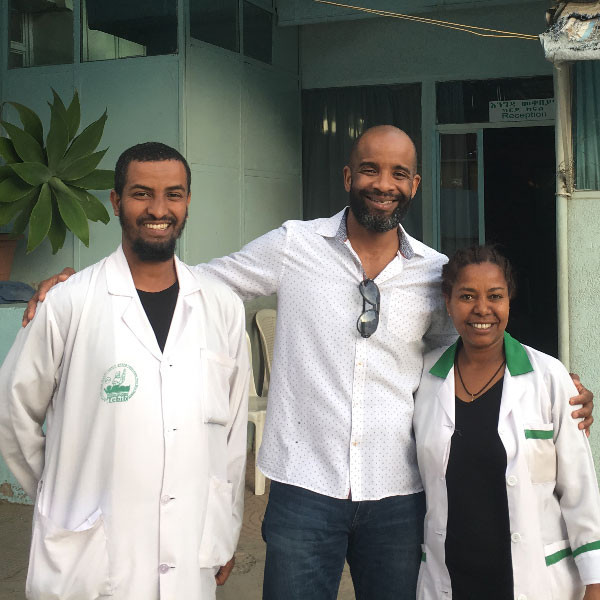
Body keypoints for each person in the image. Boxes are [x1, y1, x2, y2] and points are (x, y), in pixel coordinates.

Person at [23, 126, 594, 600]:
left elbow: (471, 344)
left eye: (398, 173)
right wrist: (88, 284)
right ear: (347, 177)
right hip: (303, 489)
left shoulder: (433, 273)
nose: (384, 184)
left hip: (399, 495)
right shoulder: (294, 245)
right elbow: (201, 285)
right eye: (370, 169)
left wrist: (548, 385)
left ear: (415, 185)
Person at [0, 142, 250, 600]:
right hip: (90, 559)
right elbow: (12, 411)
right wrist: (62, 498)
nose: (158, 209)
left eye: (173, 194)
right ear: (116, 202)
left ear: (188, 202)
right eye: (141, 194)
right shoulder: (68, 302)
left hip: (191, 545)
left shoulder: (223, 307)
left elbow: (233, 437)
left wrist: (225, 527)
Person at [414, 245, 600, 600]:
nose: (482, 309)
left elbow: (579, 488)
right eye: (467, 296)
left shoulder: (549, 376)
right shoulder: (424, 377)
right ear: (448, 302)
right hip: (451, 577)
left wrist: (595, 581)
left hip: (532, 579)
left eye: (495, 296)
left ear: (509, 302)